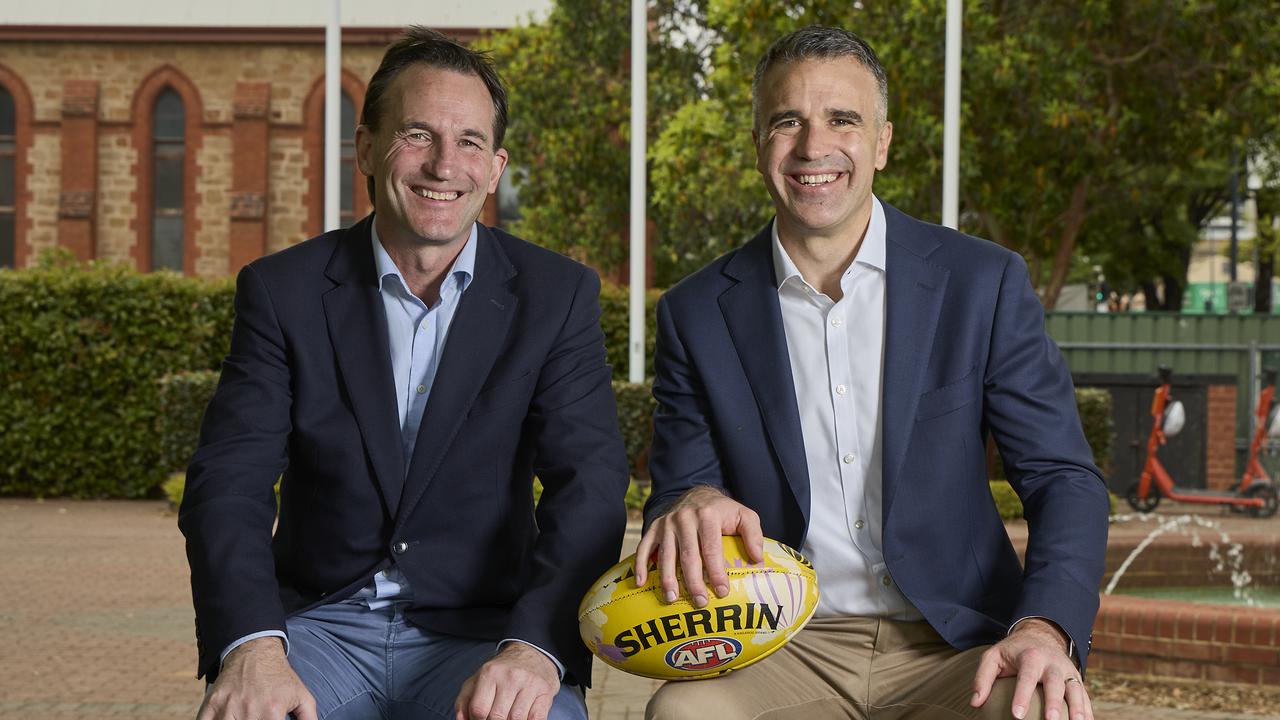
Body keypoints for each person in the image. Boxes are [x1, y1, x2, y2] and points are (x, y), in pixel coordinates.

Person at [636, 25, 1109, 720]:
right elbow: (677, 491)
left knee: (1040, 708)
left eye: (842, 120)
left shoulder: (981, 283)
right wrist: (691, 502)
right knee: (682, 713)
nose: (812, 147)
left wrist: (1045, 627)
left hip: (958, 643)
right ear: (758, 143)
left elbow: (1064, 478)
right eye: (786, 121)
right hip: (781, 645)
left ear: (882, 142)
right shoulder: (696, 311)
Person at [180, 27, 629, 720]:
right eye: (418, 135)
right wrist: (252, 649)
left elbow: (590, 488)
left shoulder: (556, 296)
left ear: (496, 166)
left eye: (470, 142)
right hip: (317, 633)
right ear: (365, 148)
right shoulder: (283, 292)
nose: (444, 165)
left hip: (483, 635)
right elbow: (229, 484)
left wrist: (535, 649)